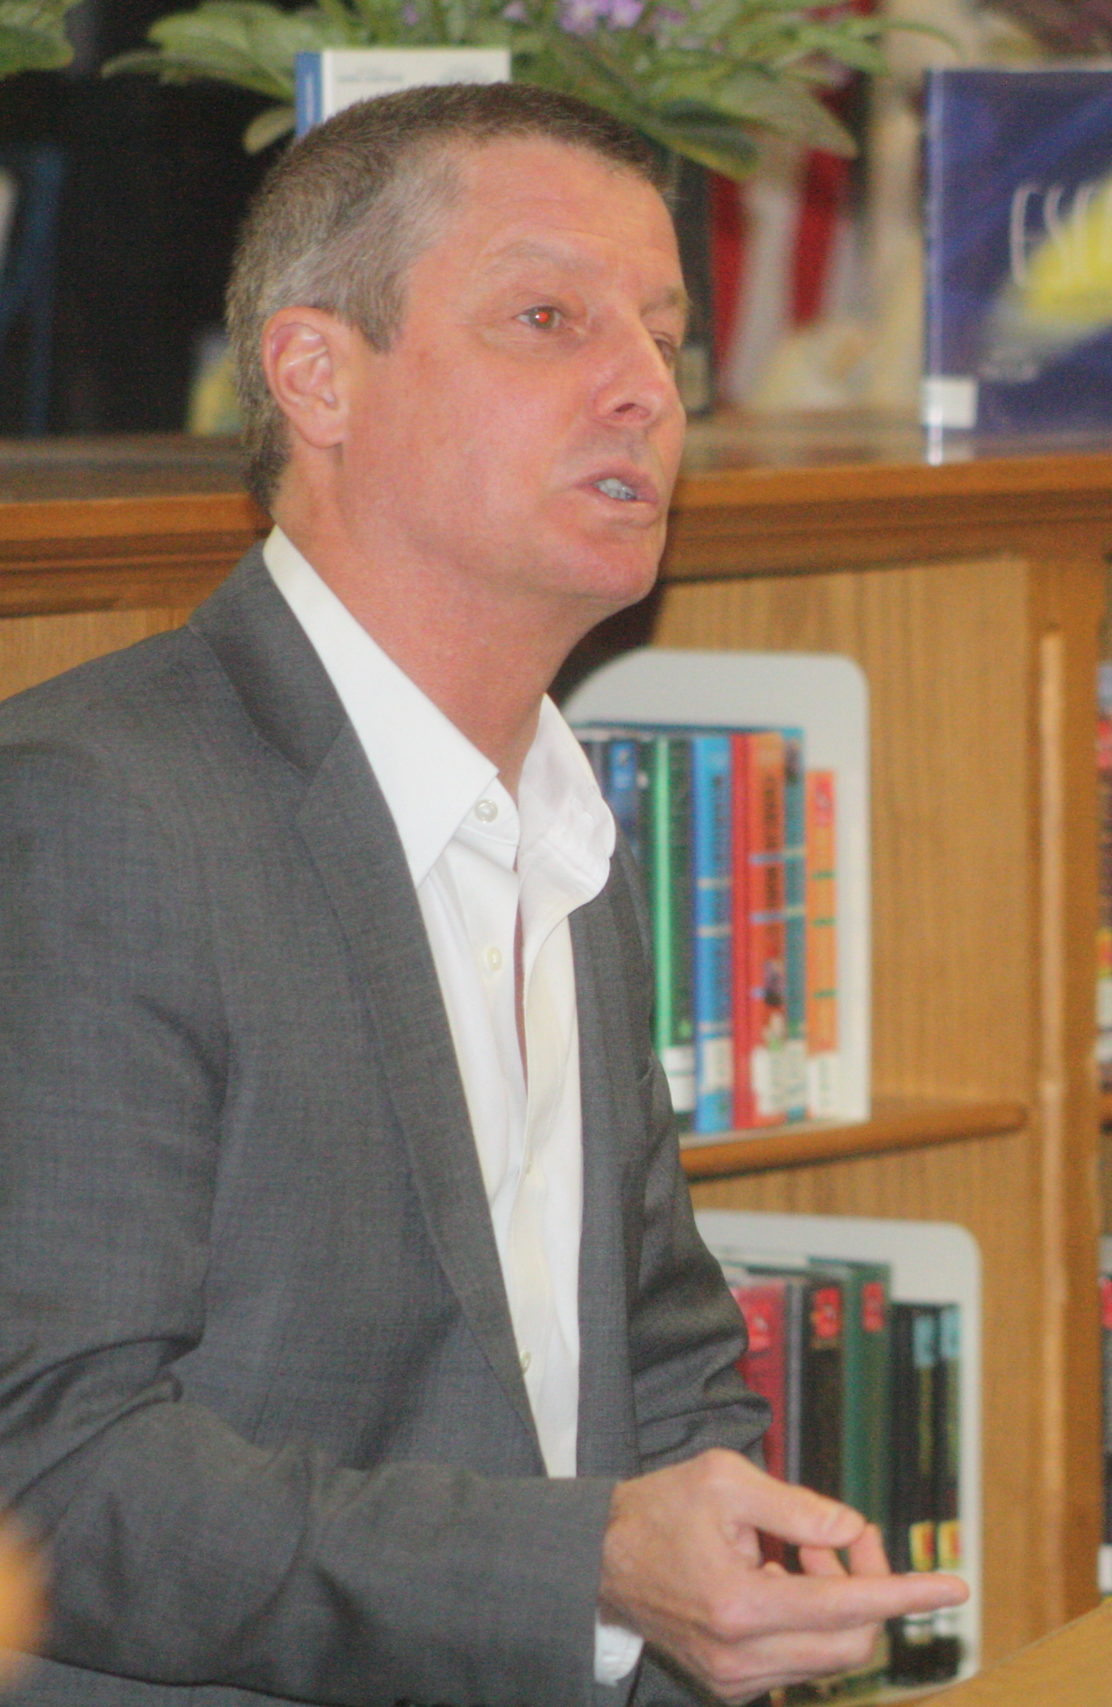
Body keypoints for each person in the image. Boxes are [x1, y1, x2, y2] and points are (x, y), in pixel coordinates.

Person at [0, 84, 965, 1704]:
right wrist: (584, 1563)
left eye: (664, 338)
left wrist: (732, 1585)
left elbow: (652, 1361)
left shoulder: (562, 814)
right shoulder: (99, 809)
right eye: (548, 318)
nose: (641, 391)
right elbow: (55, 1472)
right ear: (317, 372)